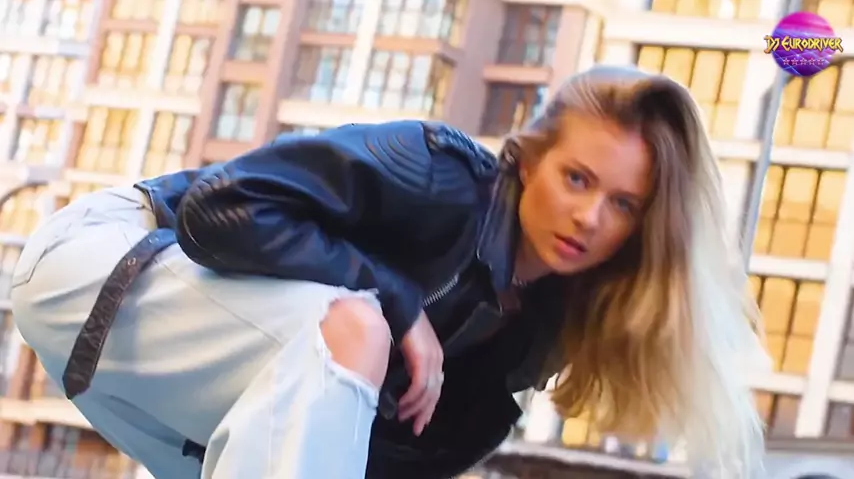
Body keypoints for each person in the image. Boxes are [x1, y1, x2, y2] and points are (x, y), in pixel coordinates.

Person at [10, 65, 768, 478]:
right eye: (577, 179)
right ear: (529, 160)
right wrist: (398, 302)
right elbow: (218, 211)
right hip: (106, 261)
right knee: (357, 327)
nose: (591, 217)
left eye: (624, 204)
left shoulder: (532, 335)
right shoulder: (439, 174)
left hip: (162, 400)